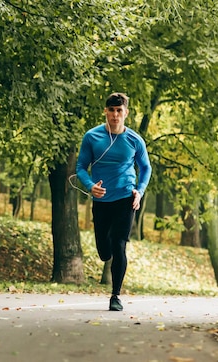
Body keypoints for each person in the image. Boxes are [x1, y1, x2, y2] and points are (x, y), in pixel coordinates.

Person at [76, 92, 152, 311]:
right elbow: (80, 167)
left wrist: (140, 191)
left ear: (126, 113)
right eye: (111, 110)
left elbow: (145, 168)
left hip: (125, 198)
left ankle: (115, 296)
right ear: (105, 111)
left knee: (119, 245)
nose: (115, 115)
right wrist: (90, 185)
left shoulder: (134, 140)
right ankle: (105, 251)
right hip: (101, 200)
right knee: (104, 251)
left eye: (119, 111)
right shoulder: (92, 137)